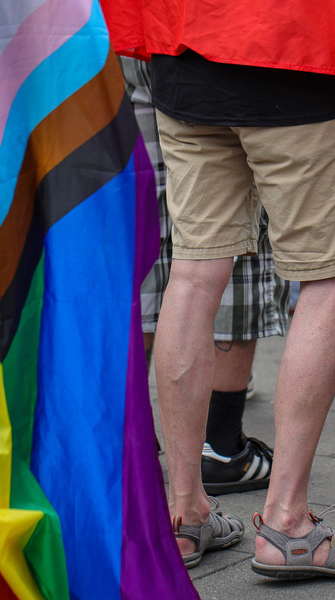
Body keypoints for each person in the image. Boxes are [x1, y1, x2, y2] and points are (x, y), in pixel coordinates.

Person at [103, 1, 335, 573]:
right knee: (331, 277)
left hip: (186, 48)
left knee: (193, 275)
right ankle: (287, 522)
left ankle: (184, 513)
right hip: (301, 52)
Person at [121, 56, 283, 496]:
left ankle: (131, 438)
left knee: (142, 208)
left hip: (123, 26)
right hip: (217, 35)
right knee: (228, 218)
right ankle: (221, 445)